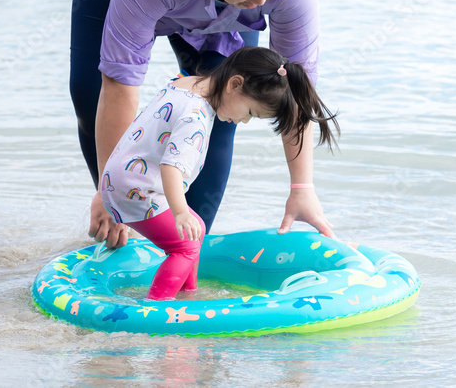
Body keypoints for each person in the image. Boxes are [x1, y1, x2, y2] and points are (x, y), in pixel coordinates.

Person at [69, 0, 331, 251]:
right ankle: (117, 219)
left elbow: (296, 91)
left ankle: (184, 245)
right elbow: (121, 82)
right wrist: (110, 192)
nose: (261, 3)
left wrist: (302, 188)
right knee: (88, 88)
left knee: (223, 110)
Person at [95, 46, 338, 300]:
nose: (244, 121)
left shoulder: (185, 84)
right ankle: (155, 306)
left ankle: (188, 292)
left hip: (120, 179)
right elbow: (171, 167)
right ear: (235, 84)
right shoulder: (195, 117)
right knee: (185, 246)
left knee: (196, 228)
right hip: (137, 190)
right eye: (251, 113)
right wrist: (179, 213)